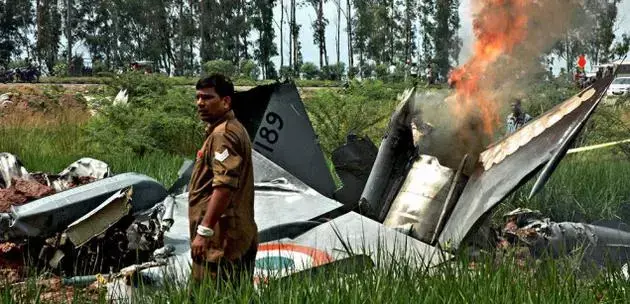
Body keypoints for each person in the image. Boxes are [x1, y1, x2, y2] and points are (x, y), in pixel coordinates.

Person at [188, 74, 258, 290]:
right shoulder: (232, 128)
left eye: (208, 98)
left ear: (226, 101)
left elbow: (224, 185)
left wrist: (204, 231)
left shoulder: (223, 135)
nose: (200, 103)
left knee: (212, 295)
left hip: (220, 242)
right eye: (198, 97)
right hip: (231, 237)